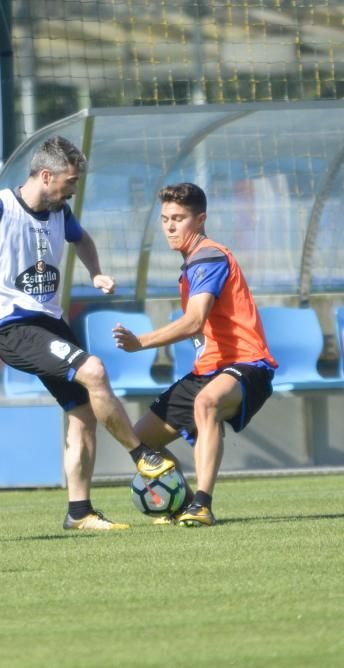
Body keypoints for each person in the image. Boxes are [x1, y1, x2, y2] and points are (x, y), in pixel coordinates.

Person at [0, 135, 174, 531]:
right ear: (45, 175)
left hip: (49, 323)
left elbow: (82, 239)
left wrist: (96, 272)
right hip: (13, 326)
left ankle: (80, 513)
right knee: (93, 371)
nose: (73, 189)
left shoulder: (60, 211)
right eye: (70, 181)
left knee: (82, 414)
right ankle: (142, 454)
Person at [112, 183, 276, 527]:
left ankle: (202, 504)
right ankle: (183, 503)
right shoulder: (190, 263)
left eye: (179, 218)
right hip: (208, 369)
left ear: (199, 220)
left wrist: (140, 342)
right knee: (141, 443)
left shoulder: (209, 257)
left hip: (246, 364)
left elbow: (193, 321)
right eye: (165, 218)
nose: (170, 226)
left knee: (207, 403)